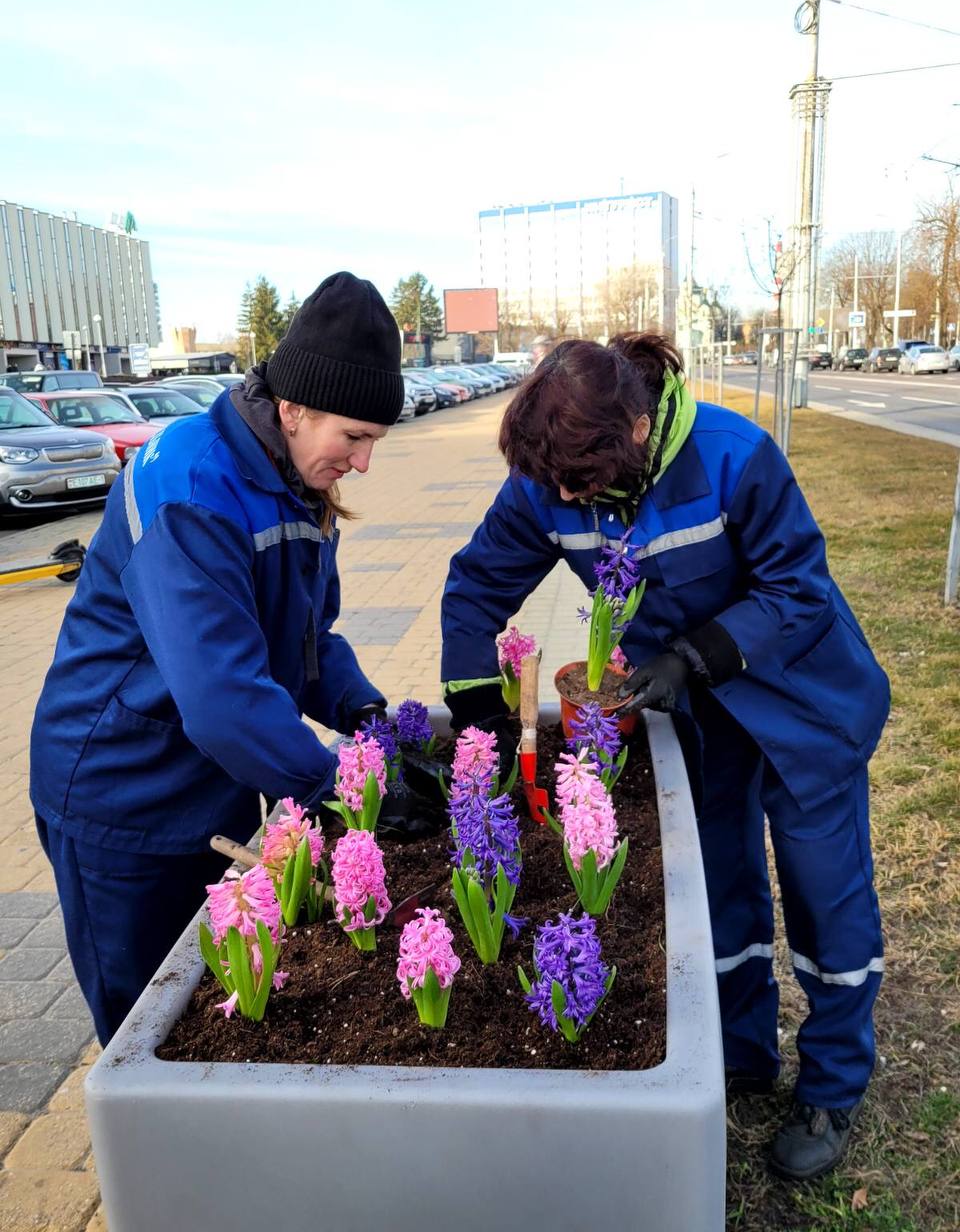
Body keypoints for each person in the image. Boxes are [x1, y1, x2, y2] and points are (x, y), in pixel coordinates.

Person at [441, 333, 888, 1181]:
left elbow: (797, 588)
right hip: (694, 722)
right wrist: (475, 713)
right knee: (716, 891)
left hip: (802, 705)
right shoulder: (551, 479)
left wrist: (693, 653)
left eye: (583, 484)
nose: (567, 500)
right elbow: (475, 585)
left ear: (638, 432)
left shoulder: (735, 457)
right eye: (556, 488)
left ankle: (832, 1083)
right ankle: (742, 1054)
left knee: (825, 894)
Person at [31, 272, 432, 1046]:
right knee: (148, 1032)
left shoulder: (293, 483)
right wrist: (333, 785)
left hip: (212, 783)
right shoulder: (191, 485)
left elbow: (308, 645)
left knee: (220, 1007)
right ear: (293, 406)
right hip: (122, 796)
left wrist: (368, 717)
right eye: (353, 437)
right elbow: (221, 695)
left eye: (375, 442)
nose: (364, 463)